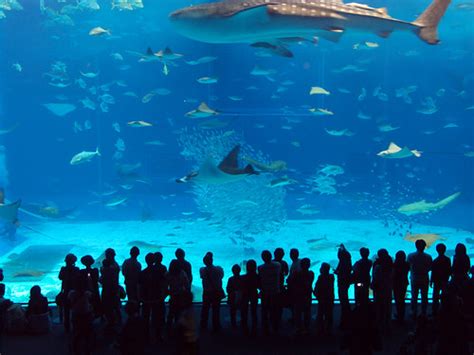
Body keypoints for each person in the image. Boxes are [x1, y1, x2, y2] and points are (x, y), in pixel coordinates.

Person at [139, 252, 167, 341]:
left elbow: (139, 286)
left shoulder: (142, 273)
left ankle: (145, 336)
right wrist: (163, 296)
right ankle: (158, 336)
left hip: (146, 299)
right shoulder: (159, 272)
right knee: (158, 317)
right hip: (157, 298)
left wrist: (140, 297)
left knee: (145, 318)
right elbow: (163, 285)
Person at [68, 277, 94, 355]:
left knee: (77, 332)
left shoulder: (71, 293)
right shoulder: (87, 293)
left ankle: (75, 349)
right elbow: (92, 296)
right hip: (86, 315)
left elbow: (69, 302)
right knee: (87, 333)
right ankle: (87, 350)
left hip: (76, 315)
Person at [199, 252, 224, 332]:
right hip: (216, 292)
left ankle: (203, 325)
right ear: (212, 260)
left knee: (205, 309)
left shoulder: (202, 270)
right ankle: (216, 326)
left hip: (207, 292)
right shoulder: (219, 269)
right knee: (216, 310)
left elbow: (202, 276)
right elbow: (222, 276)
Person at [407, 239, 432, 319]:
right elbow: (430, 267)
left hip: (414, 278)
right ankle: (423, 312)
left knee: (414, 295)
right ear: (424, 247)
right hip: (424, 278)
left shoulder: (410, 256)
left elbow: (408, 266)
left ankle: (413, 311)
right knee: (424, 296)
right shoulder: (428, 257)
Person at [258, 250, 281, 334]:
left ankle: (265, 328)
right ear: (271, 256)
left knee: (265, 310)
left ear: (262, 258)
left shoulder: (260, 268)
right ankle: (275, 327)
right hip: (276, 291)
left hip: (265, 292)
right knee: (275, 310)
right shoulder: (278, 265)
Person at [289, 258, 314, 335]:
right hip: (307, 294)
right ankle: (307, 327)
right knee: (307, 311)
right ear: (309, 265)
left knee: (298, 312)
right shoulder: (311, 273)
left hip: (299, 295)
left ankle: (299, 328)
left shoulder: (297, 274)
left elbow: (291, 281)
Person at [371, 249, 393, 334]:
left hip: (379, 288)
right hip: (387, 287)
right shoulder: (390, 263)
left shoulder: (377, 265)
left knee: (379, 306)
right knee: (387, 306)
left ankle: (379, 324)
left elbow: (375, 276)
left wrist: (373, 284)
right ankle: (387, 324)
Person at [100, 248, 122, 328]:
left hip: (110, 289)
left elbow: (103, 278)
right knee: (114, 306)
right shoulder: (114, 265)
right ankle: (116, 321)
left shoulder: (111, 267)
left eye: (106, 255)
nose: (105, 256)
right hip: (112, 288)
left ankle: (112, 323)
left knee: (111, 306)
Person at [58, 253, 79, 332]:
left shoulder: (63, 269)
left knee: (66, 310)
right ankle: (76, 326)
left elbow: (60, 277)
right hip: (74, 291)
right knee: (75, 309)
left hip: (66, 291)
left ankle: (67, 327)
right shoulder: (76, 269)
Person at [166, 259, 190, 330]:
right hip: (180, 296)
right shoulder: (182, 273)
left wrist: (169, 292)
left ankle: (168, 329)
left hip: (172, 295)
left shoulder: (168, 273)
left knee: (171, 313)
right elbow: (187, 285)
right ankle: (178, 329)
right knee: (179, 313)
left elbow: (164, 286)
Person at [430, 243, 451, 316]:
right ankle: (444, 310)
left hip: (437, 281)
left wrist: (431, 281)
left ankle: (434, 311)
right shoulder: (448, 260)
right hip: (445, 280)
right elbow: (449, 270)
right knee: (445, 296)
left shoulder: (435, 261)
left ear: (437, 250)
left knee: (435, 296)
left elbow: (433, 272)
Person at [313, 262, 334, 335]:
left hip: (322, 298)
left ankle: (320, 328)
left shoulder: (321, 277)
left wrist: (315, 293)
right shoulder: (331, 277)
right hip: (329, 298)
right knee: (329, 313)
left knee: (321, 312)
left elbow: (318, 286)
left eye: (321, 268)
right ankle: (329, 328)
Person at [175, 291, 199, 355]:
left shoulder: (189, 311)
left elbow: (191, 325)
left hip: (189, 338)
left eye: (181, 300)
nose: (180, 302)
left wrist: (181, 320)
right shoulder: (188, 310)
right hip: (189, 337)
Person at [335, 244, 352, 328]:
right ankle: (347, 317)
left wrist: (337, 272)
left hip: (342, 283)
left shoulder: (343, 263)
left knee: (344, 300)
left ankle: (346, 320)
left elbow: (341, 273)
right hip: (345, 282)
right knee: (345, 300)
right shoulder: (347, 260)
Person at [240, 259, 259, 336]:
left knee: (244, 312)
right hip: (254, 294)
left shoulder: (243, 277)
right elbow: (259, 286)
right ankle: (254, 329)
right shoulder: (257, 276)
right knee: (254, 312)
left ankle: (245, 329)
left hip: (245, 295)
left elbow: (240, 287)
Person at [392, 251, 410, 323]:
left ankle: (399, 315)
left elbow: (393, 274)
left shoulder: (394, 264)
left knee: (397, 299)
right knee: (402, 299)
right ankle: (402, 315)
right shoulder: (406, 264)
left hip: (396, 283)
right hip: (404, 283)